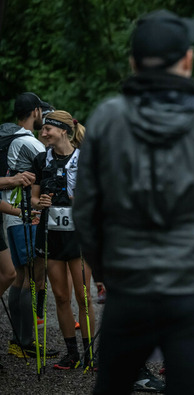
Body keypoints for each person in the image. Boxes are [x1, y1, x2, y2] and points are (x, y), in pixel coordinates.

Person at [73, 9, 194, 394]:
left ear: (133, 63)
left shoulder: (107, 117)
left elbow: (86, 211)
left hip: (131, 283)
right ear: (187, 60)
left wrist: (106, 272)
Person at [30, 111, 97, 370]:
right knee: (59, 296)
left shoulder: (85, 158)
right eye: (43, 128)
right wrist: (40, 202)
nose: (44, 132)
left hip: (78, 235)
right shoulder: (41, 159)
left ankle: (90, 354)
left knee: (84, 297)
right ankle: (72, 354)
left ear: (63, 131)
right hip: (51, 234)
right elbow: (34, 199)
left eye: (48, 129)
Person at [3, 92, 58, 360]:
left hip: (12, 215)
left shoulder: (12, 137)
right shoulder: (28, 141)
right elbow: (53, 166)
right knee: (29, 277)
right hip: (25, 215)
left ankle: (19, 340)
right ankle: (24, 341)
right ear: (36, 111)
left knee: (19, 276)